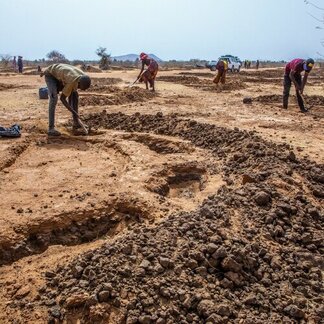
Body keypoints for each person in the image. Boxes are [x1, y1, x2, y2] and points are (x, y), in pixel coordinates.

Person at [41, 63, 91, 136]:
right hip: (51, 75)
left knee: (75, 95)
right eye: (80, 87)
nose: (80, 89)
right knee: (54, 98)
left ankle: (76, 123)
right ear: (79, 82)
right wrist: (73, 112)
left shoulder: (82, 76)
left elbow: (73, 89)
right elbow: (63, 99)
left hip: (61, 76)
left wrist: (74, 113)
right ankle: (51, 128)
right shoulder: (72, 80)